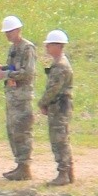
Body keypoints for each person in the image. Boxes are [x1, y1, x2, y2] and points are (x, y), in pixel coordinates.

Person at [0, 15, 37, 180]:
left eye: (10, 32)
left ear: (18, 30)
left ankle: (25, 167)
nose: (8, 35)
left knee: (22, 131)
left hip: (22, 97)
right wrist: (4, 68)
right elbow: (14, 67)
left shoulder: (27, 48)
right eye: (6, 33)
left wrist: (6, 73)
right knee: (12, 131)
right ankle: (19, 165)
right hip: (12, 96)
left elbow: (27, 72)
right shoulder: (13, 49)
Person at [38, 30, 74, 186]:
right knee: (62, 138)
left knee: (59, 140)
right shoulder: (61, 62)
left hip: (59, 107)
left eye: (49, 44)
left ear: (57, 46)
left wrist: (42, 103)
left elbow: (53, 89)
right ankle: (68, 172)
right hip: (60, 106)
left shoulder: (60, 66)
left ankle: (63, 174)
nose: (47, 47)